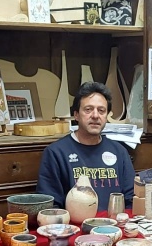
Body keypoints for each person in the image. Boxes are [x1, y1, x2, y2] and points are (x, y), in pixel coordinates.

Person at [37, 82, 135, 211]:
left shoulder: (119, 152)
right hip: (74, 223)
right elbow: (50, 207)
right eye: (88, 109)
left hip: (114, 222)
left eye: (101, 111)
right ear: (76, 115)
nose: (95, 116)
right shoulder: (56, 153)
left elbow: (131, 199)